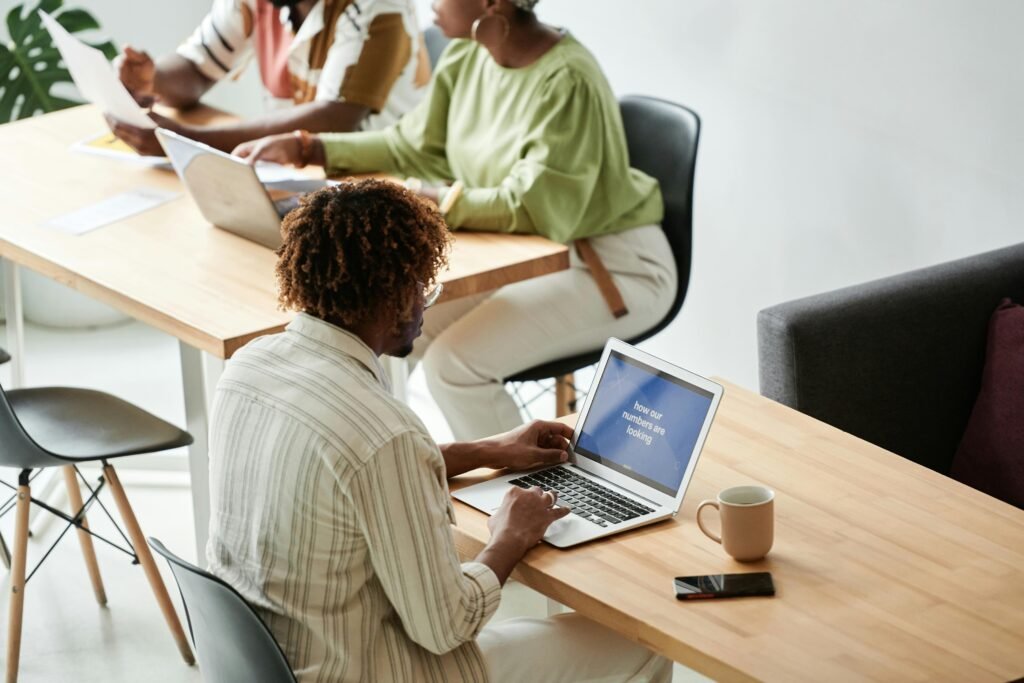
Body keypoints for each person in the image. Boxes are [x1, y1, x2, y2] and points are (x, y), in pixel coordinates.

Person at [207, 179, 671, 682]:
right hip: (372, 673)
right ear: (395, 297)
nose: (426, 304)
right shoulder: (385, 433)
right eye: (424, 286)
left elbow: (344, 471)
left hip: (278, 663)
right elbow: (449, 624)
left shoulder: (248, 367)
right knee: (643, 640)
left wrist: (484, 450)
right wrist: (509, 538)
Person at [233, 0, 678, 442]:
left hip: (615, 266)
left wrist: (432, 200)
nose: (429, 4)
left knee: (455, 368)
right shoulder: (469, 54)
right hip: (535, 254)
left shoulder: (568, 80)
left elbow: (538, 207)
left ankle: (540, 501)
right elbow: (412, 145)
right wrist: (309, 147)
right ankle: (401, 471)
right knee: (390, 326)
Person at [107, 0, 430, 155]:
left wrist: (186, 142)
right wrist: (152, 80)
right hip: (300, 169)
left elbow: (334, 119)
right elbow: (196, 68)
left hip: (386, 181)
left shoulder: (378, 6)